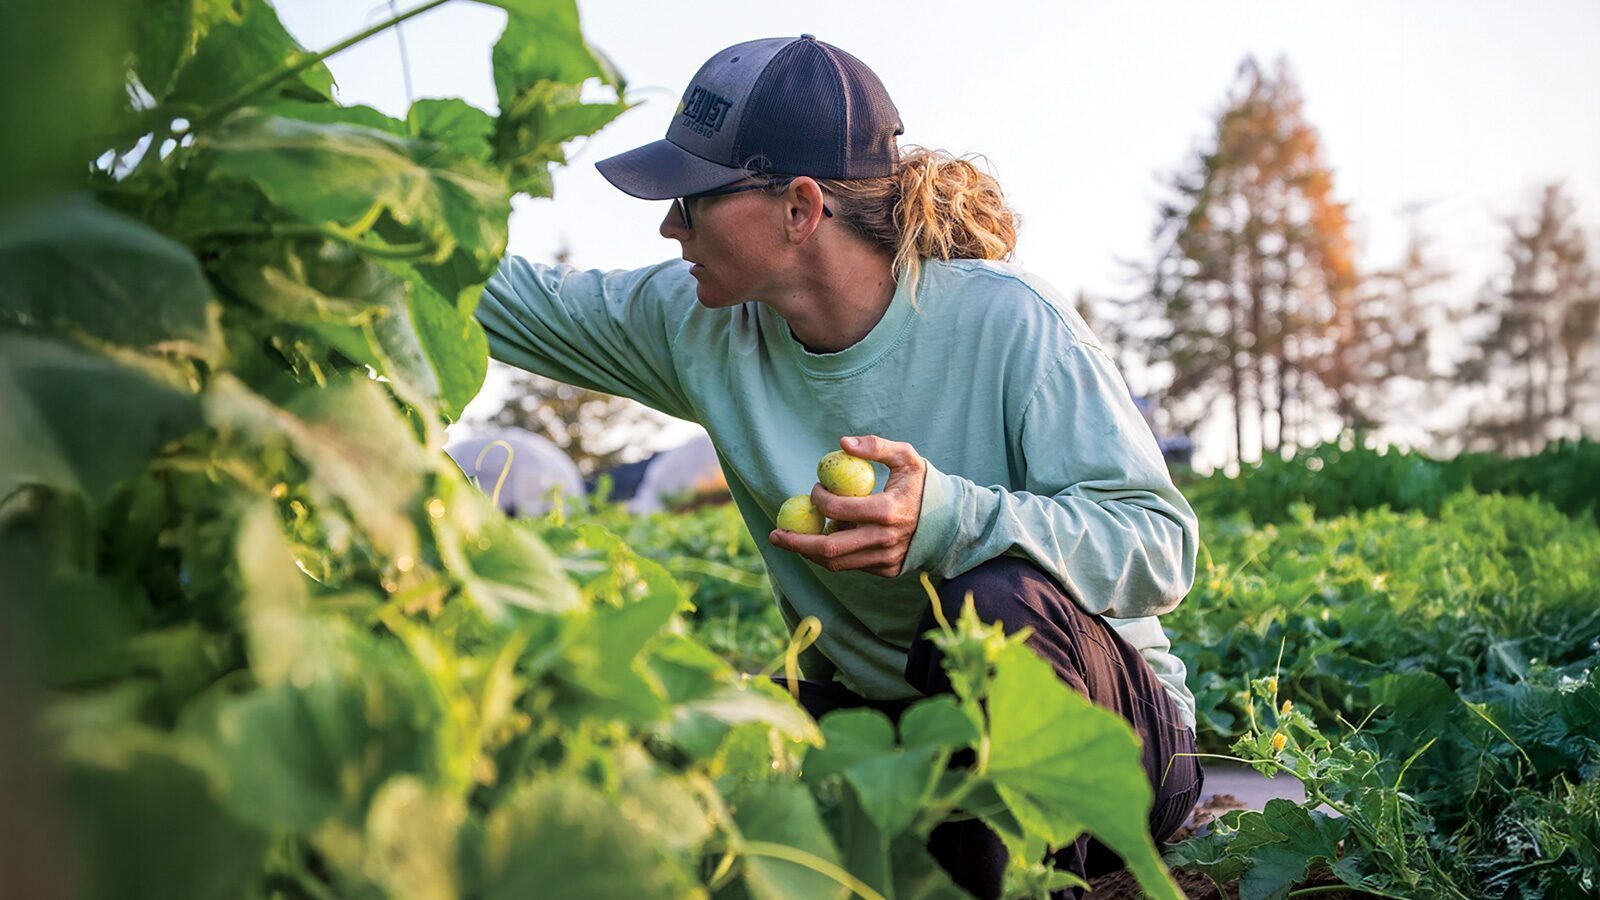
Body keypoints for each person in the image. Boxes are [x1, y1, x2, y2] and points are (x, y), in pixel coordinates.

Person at [473, 34, 1203, 898]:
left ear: (800, 207)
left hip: (1111, 745)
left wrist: (948, 520)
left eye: (693, 200)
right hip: (896, 734)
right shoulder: (703, 322)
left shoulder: (1009, 323)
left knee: (992, 604)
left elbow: (1160, 545)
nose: (669, 225)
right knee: (691, 731)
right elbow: (502, 295)